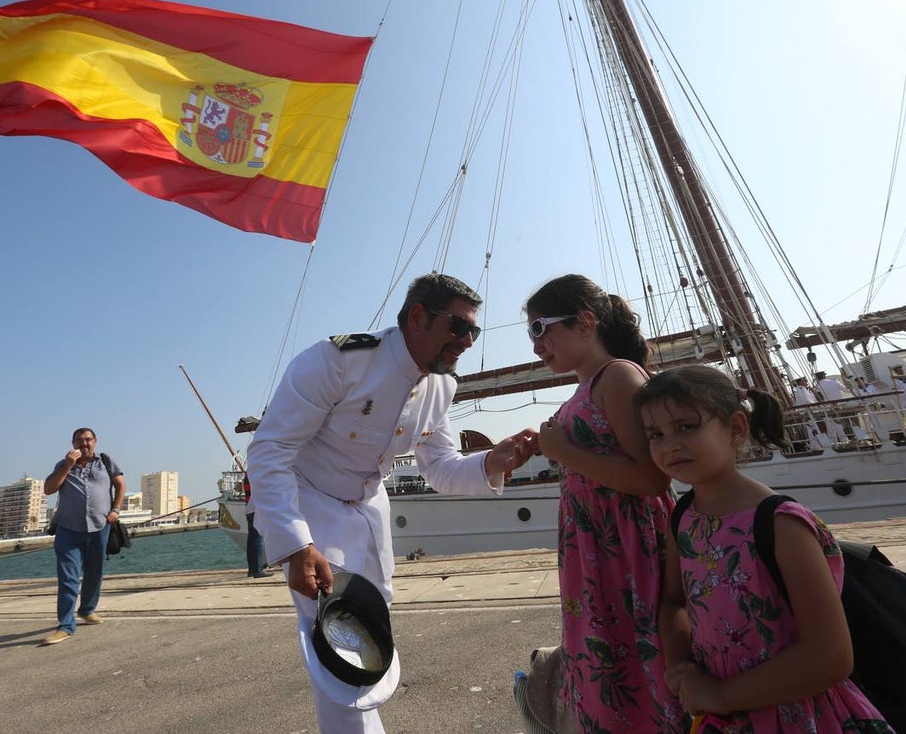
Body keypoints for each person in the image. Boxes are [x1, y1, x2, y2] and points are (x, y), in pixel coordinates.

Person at [247, 272, 539, 734]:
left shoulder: (441, 386)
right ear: (417, 317)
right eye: (458, 327)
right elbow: (269, 451)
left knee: (369, 637)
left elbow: (439, 466)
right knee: (339, 644)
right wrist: (295, 545)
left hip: (370, 512)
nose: (466, 340)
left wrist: (491, 462)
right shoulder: (337, 361)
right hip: (313, 507)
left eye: (473, 331)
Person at [634, 366, 895, 733]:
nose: (670, 444)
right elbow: (674, 601)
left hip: (796, 713)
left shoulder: (780, 524)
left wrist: (722, 695)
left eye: (687, 426)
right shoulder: (683, 517)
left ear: (736, 429)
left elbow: (831, 656)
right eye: (655, 434)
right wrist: (681, 666)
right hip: (722, 715)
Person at [524, 274, 686, 734]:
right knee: (606, 654)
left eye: (541, 329)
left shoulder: (618, 375)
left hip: (626, 549)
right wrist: (545, 448)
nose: (536, 345)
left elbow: (652, 476)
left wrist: (563, 452)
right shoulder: (585, 387)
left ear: (585, 323)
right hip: (593, 552)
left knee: (634, 656)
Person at [41, 427, 125, 646]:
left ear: (95, 441)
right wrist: (68, 465)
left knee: (94, 573)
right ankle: (66, 626)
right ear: (73, 443)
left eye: (88, 440)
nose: (84, 444)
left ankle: (87, 610)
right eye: (79, 440)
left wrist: (115, 509)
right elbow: (49, 489)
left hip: (99, 526)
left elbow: (120, 484)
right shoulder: (63, 465)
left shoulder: (105, 462)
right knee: (68, 577)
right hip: (68, 529)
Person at [241, 474, 270, 578]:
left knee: (252, 540)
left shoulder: (248, 476)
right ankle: (258, 569)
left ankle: (252, 569)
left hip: (249, 509)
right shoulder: (254, 475)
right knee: (258, 539)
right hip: (255, 509)